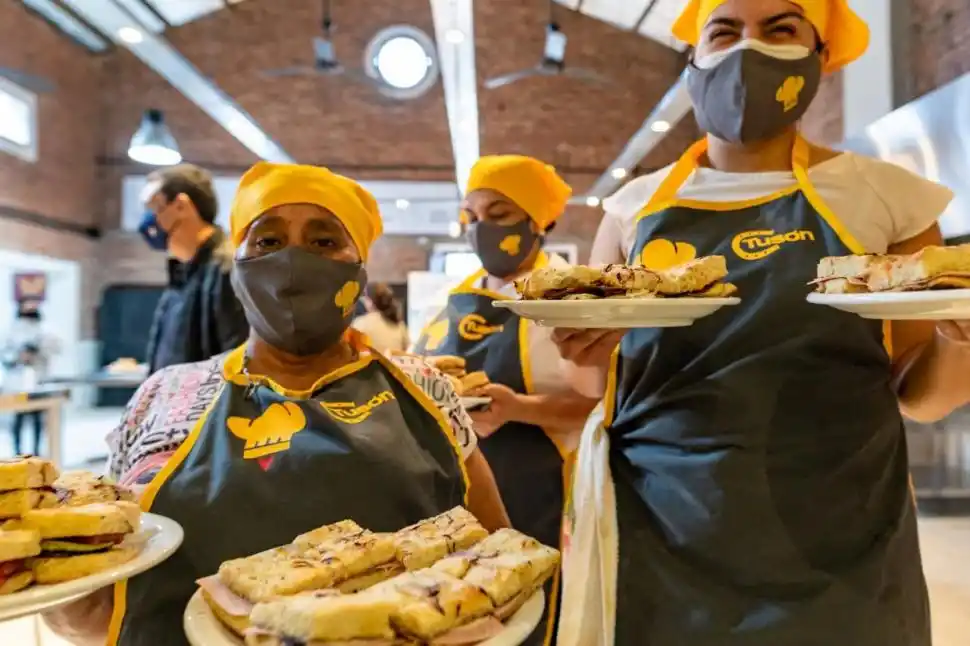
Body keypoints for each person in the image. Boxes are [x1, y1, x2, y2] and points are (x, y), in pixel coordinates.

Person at [554, 1, 970, 644]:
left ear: (818, 59)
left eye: (780, 30)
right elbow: (594, 385)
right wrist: (585, 354)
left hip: (840, 534)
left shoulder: (890, 197)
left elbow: (921, 394)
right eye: (724, 31)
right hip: (662, 527)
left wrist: (957, 336)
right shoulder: (633, 208)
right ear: (695, 59)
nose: (748, 49)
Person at [43, 162, 509, 646]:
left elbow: (499, 561)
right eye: (267, 241)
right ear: (238, 265)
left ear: (360, 268)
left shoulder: (425, 390)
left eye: (324, 241)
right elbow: (98, 606)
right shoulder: (163, 398)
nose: (292, 260)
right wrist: (57, 587)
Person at [413, 154, 599, 646]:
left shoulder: (574, 300)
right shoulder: (455, 299)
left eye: (498, 215)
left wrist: (518, 408)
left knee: (528, 616)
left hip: (543, 495)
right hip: (453, 500)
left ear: (542, 221)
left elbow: (606, 405)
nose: (480, 230)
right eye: (471, 217)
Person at [139, 164, 249, 374]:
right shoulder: (183, 274)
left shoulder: (229, 271)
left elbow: (239, 369)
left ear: (181, 206)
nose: (147, 219)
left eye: (153, 207)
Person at [2, 306, 59, 456]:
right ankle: (17, 451)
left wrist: (37, 351)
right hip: (18, 383)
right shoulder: (13, 331)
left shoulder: (44, 330)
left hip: (38, 380)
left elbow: (55, 347)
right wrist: (19, 356)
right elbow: (6, 355)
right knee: (18, 420)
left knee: (37, 419)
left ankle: (36, 452)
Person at [351, 282, 410, 353]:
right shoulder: (399, 323)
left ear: (369, 301)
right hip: (394, 363)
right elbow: (407, 347)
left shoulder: (360, 323)